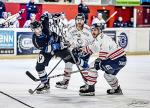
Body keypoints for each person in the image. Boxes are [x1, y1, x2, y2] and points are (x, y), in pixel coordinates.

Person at [30, 13, 92, 94]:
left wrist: (52, 16)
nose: (38, 31)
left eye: (39, 28)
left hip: (60, 48)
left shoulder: (44, 26)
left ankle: (87, 73)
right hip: (49, 50)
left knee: (74, 59)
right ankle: (45, 84)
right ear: (33, 30)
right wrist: (59, 45)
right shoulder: (35, 40)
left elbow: (46, 16)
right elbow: (47, 49)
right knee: (39, 66)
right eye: (36, 29)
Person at [79, 23, 127, 96]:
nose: (93, 32)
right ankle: (116, 89)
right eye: (92, 30)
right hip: (122, 61)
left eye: (95, 30)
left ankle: (90, 89)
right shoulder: (101, 38)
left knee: (92, 67)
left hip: (115, 60)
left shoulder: (101, 38)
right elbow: (94, 47)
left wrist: (99, 61)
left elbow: (103, 52)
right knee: (108, 75)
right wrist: (82, 49)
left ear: (100, 30)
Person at [55, 13, 94, 89]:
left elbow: (91, 41)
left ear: (84, 20)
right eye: (77, 20)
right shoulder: (71, 28)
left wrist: (84, 48)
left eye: (81, 20)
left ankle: (88, 84)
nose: (79, 22)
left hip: (85, 50)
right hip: (74, 50)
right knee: (68, 63)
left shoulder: (88, 29)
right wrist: (67, 43)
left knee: (82, 66)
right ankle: (65, 82)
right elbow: (67, 39)